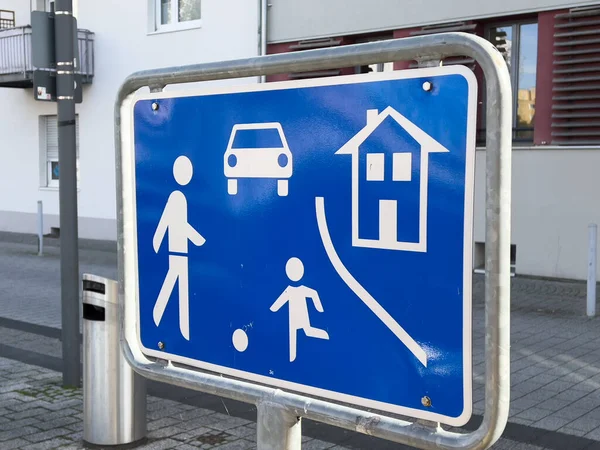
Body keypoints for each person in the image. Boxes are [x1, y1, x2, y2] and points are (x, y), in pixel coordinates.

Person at [152, 155, 206, 340]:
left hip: (182, 251)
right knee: (174, 281)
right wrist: (197, 239)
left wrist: (158, 239)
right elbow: (170, 220)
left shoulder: (181, 196)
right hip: (177, 250)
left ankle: (183, 327)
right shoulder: (177, 197)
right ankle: (158, 314)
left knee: (180, 284)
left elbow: (170, 221)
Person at [270, 257, 329, 362]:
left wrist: (319, 308)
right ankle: (292, 357)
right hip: (293, 318)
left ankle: (324, 335)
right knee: (295, 334)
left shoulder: (298, 290)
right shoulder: (289, 290)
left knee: (305, 331)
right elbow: (280, 301)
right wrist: (273, 309)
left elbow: (313, 294)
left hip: (301, 315)